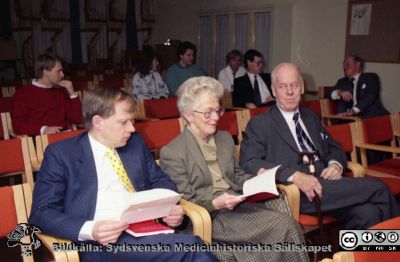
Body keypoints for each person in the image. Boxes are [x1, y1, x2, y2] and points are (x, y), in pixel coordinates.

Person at [29, 86, 217, 262]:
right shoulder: (62, 154)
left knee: (190, 247)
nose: (132, 128)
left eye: (132, 121)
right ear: (98, 122)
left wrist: (167, 207)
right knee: (193, 248)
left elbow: (160, 180)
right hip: (101, 242)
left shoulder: (134, 143)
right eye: (123, 122)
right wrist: (91, 229)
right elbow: (41, 213)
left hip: (145, 229)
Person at [160, 76, 309, 262]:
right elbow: (184, 203)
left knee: (284, 225)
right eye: (208, 112)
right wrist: (216, 203)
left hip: (237, 205)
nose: (215, 117)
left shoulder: (224, 139)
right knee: (283, 225)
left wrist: (257, 180)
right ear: (188, 115)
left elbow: (237, 175)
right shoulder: (173, 152)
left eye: (218, 110)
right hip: (209, 217)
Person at [239, 63, 400, 230]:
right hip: (298, 191)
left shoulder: (309, 116)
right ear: (273, 90)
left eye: (294, 85)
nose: (289, 92)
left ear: (302, 88)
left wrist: (335, 165)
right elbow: (249, 162)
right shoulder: (260, 123)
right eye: (282, 86)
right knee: (379, 188)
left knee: (368, 213)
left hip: (328, 184)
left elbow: (333, 146)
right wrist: (294, 176)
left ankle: (351, 255)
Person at [12, 53, 82, 136]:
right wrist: (43, 129)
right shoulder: (23, 94)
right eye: (58, 71)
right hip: (40, 139)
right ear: (45, 72)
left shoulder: (60, 91)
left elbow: (77, 119)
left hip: (63, 136)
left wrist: (72, 93)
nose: (62, 75)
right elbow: (17, 125)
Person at [325, 55, 389, 118]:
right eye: (343, 65)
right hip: (352, 120)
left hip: (374, 118)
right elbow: (326, 95)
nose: (344, 67)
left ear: (358, 65)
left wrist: (353, 111)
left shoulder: (371, 77)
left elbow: (371, 95)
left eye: (347, 64)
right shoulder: (342, 82)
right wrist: (339, 92)